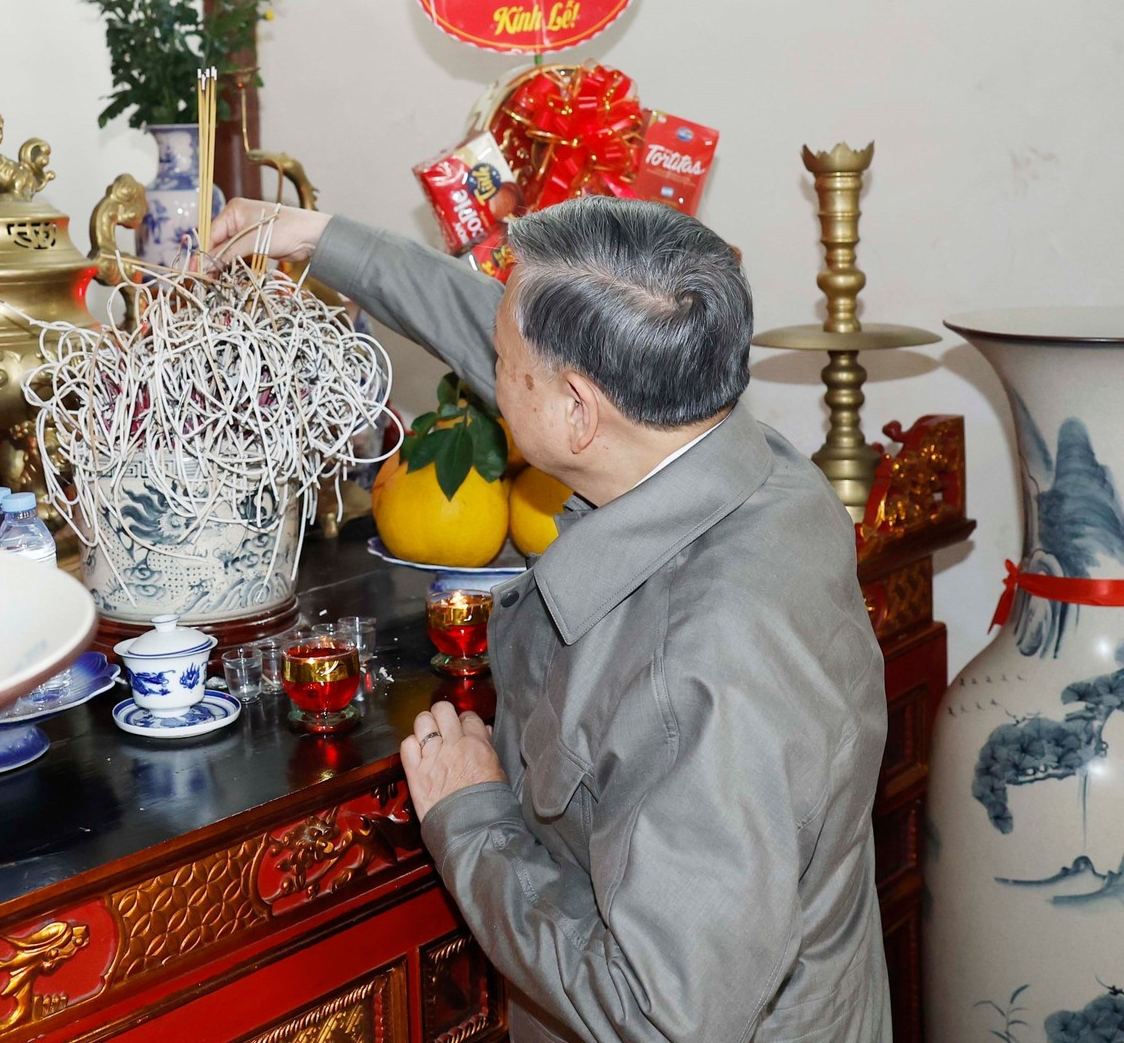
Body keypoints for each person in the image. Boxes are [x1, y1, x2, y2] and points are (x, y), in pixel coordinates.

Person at [208, 195, 890, 1043]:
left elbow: (662, 1013)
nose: (489, 368)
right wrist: (330, 241)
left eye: (501, 360)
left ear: (577, 411)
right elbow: (516, 340)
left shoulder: (701, 671)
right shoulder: (753, 466)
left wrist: (472, 817)